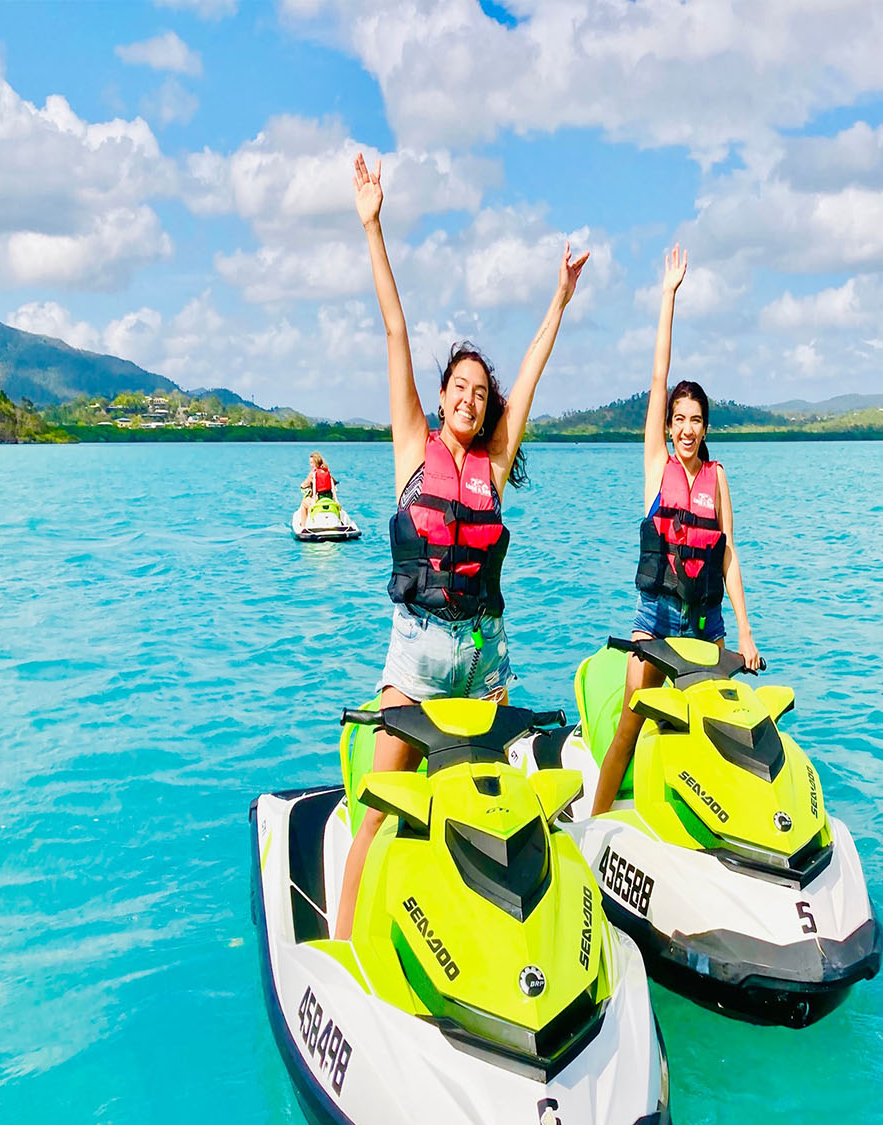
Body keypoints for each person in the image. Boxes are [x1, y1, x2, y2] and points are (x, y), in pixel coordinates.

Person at [335, 151, 589, 938]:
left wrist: (559, 300)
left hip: (485, 662)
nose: (471, 400)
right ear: (442, 398)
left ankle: (484, 936)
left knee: (491, 811)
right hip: (414, 659)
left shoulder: (495, 464)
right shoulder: (413, 446)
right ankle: (340, 946)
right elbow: (394, 326)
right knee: (378, 811)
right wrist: (373, 225)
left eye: (483, 393)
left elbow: (537, 366)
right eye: (460, 389)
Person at [590, 244, 760, 816]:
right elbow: (658, 373)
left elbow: (729, 555)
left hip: (706, 625)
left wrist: (745, 633)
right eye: (678, 419)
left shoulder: (718, 477)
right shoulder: (656, 466)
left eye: (695, 420)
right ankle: (596, 822)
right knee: (632, 722)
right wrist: (667, 297)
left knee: (716, 733)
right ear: (668, 423)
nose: (686, 429)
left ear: (707, 426)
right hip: (655, 620)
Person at [297, 451, 337, 525]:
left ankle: (303, 525)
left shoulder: (313, 473)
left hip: (317, 500)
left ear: (316, 462)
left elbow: (305, 484)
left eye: (312, 462)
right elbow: (334, 483)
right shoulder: (326, 471)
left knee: (303, 504)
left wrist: (302, 485)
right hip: (329, 499)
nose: (310, 465)